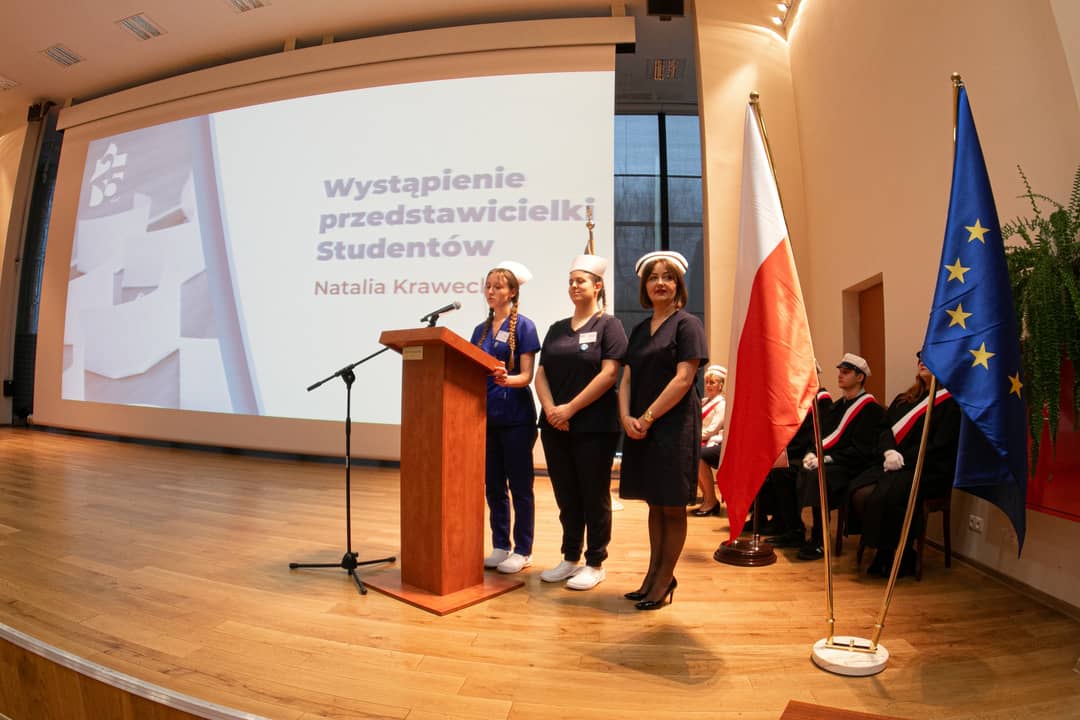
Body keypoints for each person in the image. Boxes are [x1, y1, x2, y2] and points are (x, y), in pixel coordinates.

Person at [618, 250, 708, 610]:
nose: (660, 283)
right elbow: (626, 378)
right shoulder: (639, 330)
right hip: (642, 425)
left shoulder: (688, 325)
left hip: (674, 426)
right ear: (644, 286)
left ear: (678, 285)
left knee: (672, 505)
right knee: (654, 504)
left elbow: (684, 379)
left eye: (667, 277)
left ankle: (665, 579)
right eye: (653, 277)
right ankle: (653, 575)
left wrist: (648, 417)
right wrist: (626, 417)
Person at [534, 254, 628, 590]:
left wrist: (569, 409)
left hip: (594, 426)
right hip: (554, 426)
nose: (574, 286)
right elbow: (541, 374)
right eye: (571, 281)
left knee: (593, 495)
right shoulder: (557, 328)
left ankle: (595, 562)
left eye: (581, 281)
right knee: (566, 495)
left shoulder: (609, 326)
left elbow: (610, 373)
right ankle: (570, 556)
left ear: (597, 286)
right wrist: (551, 409)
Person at [848, 352, 961, 577]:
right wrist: (889, 451)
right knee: (858, 491)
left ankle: (897, 554)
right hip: (892, 464)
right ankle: (883, 548)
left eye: (928, 357)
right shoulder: (904, 399)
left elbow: (940, 445)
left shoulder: (950, 404)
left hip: (927, 469)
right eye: (920, 358)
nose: (922, 361)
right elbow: (884, 429)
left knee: (889, 494)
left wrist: (904, 459)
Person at [471, 261, 542, 574]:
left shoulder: (524, 326)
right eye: (487, 286)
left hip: (516, 418)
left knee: (520, 487)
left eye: (497, 287)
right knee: (494, 486)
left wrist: (506, 380)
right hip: (486, 417)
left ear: (512, 292)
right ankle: (500, 545)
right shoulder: (479, 330)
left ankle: (523, 550)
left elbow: (526, 376)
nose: (490, 291)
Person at [796, 353, 883, 561]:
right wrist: (812, 453)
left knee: (819, 475)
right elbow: (821, 435)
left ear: (860, 377)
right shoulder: (839, 406)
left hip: (854, 467)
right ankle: (798, 529)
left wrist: (828, 459)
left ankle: (819, 539)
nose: (840, 376)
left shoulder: (870, 409)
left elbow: (862, 449)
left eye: (846, 372)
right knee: (804, 468)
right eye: (840, 372)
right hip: (836, 463)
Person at [760, 383, 833, 547]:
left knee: (783, 472)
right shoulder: (799, 397)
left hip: (808, 453)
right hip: (795, 451)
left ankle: (796, 530)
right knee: (770, 467)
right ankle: (781, 522)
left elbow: (817, 434)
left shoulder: (822, 399)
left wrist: (791, 451)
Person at [691, 365, 727, 517]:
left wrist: (692, 437)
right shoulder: (705, 401)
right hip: (700, 439)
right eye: (706, 382)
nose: (708, 385)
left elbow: (712, 429)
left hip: (713, 441)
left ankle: (711, 500)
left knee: (696, 455)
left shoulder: (722, 404)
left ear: (721, 385)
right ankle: (707, 497)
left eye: (712, 382)